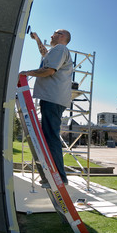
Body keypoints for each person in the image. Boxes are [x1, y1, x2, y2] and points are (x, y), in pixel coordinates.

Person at [20, 29, 73, 185]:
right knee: (49, 136)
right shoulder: (54, 51)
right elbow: (45, 54)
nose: (51, 35)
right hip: (53, 98)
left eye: (55, 33)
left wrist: (25, 73)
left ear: (62, 37)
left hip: (53, 99)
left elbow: (49, 70)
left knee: (51, 137)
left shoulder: (60, 49)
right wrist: (37, 39)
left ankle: (59, 178)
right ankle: (57, 176)